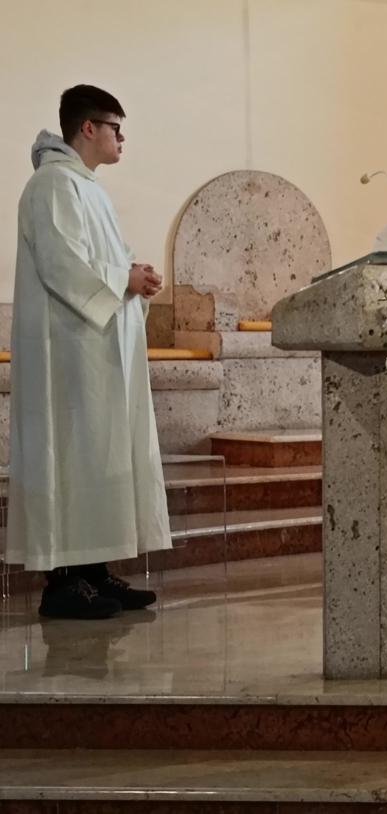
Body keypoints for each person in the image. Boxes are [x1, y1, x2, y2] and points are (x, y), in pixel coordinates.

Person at [7, 85, 170, 619]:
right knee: (70, 456)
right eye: (116, 128)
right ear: (88, 128)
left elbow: (102, 263)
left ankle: (94, 571)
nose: (122, 139)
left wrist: (135, 277)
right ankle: (62, 583)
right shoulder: (53, 185)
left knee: (98, 458)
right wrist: (124, 279)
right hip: (66, 354)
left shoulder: (86, 188)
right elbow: (64, 265)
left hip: (95, 351)